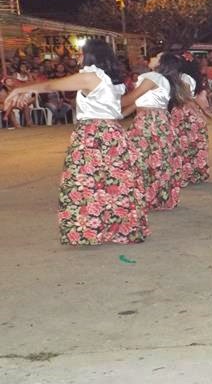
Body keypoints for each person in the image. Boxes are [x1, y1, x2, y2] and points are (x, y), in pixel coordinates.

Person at [3, 40, 149, 245]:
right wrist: (26, 90)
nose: (78, 57)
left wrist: (20, 89)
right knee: (111, 183)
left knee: (84, 182)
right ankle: (120, 229)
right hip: (112, 133)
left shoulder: (91, 76)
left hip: (93, 134)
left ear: (91, 55)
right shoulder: (109, 80)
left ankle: (91, 230)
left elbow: (51, 85)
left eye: (81, 53)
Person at [122, 52, 184, 211]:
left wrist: (104, 101)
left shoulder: (153, 77)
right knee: (155, 160)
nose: (151, 58)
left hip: (149, 121)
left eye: (156, 57)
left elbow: (132, 98)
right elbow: (139, 101)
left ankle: (147, 197)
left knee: (142, 159)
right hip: (157, 119)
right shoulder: (161, 79)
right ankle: (158, 197)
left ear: (160, 63)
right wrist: (120, 114)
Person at [171, 54, 211, 187]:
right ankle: (196, 172)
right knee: (195, 143)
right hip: (191, 112)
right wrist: (203, 112)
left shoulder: (183, 78)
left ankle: (185, 174)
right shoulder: (192, 78)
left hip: (184, 112)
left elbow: (187, 98)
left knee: (184, 144)